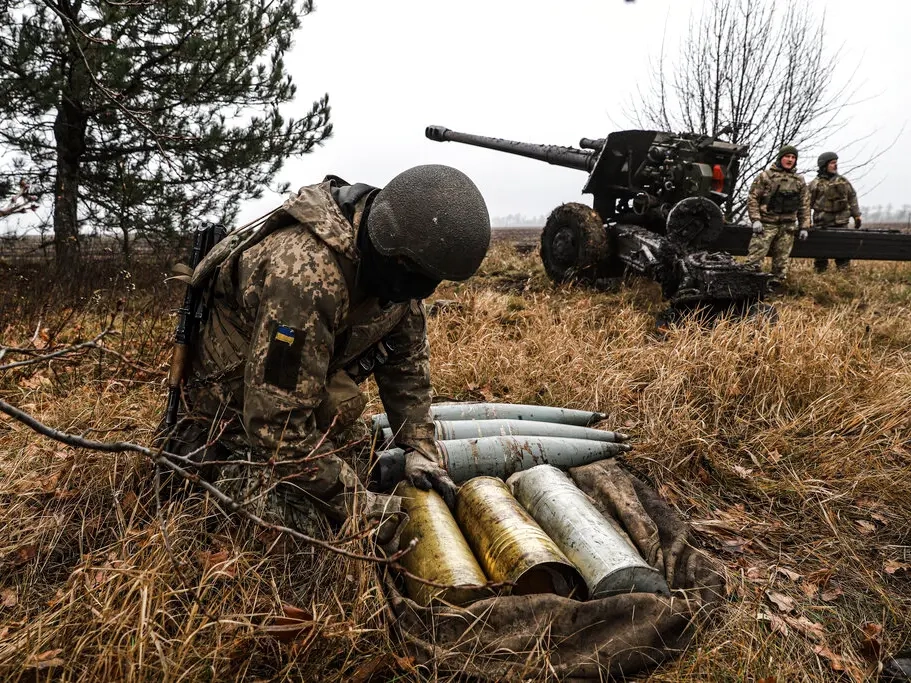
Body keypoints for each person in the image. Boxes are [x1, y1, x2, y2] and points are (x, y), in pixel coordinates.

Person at [164, 164, 491, 538]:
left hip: (292, 394)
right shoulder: (305, 276)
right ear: (398, 260)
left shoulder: (394, 267)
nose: (424, 292)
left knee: (364, 460)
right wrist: (359, 505)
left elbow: (406, 364)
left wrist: (417, 447)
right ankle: (222, 477)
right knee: (305, 525)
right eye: (422, 280)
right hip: (230, 415)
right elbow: (276, 427)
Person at [745, 145, 812, 282]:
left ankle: (776, 287)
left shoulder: (799, 180)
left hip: (787, 226)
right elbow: (753, 198)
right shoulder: (765, 176)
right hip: (766, 224)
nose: (790, 160)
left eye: (793, 157)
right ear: (780, 158)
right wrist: (756, 219)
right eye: (787, 156)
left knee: (781, 264)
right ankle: (748, 285)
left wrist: (804, 227)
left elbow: (804, 205)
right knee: (754, 260)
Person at [808, 151, 862, 272]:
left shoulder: (843, 181)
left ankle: (843, 275)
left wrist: (857, 215)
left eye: (836, 163)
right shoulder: (815, 184)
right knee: (820, 255)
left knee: (843, 254)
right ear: (824, 165)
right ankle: (820, 275)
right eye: (832, 163)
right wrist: (806, 221)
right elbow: (806, 204)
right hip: (822, 224)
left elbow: (852, 197)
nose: (835, 165)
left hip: (841, 223)